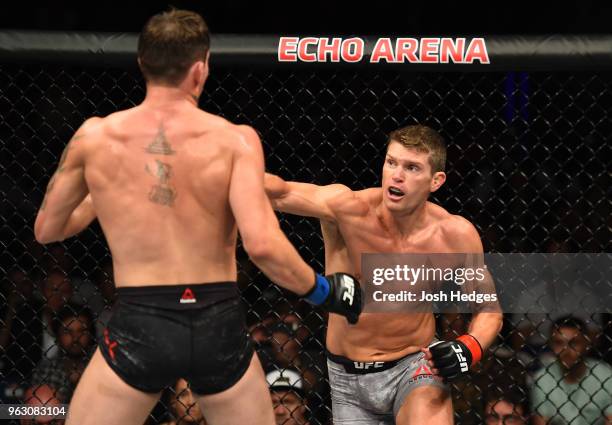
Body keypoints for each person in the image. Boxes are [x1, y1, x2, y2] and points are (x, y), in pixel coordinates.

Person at [33, 9, 361, 425]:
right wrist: (322, 291)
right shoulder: (234, 140)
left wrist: (103, 196)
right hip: (216, 321)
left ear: (142, 63)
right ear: (201, 68)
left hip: (140, 320)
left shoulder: (96, 136)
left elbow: (48, 229)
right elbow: (261, 245)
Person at [265, 124, 503, 424]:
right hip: (347, 377)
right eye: (391, 162)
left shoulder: (455, 235)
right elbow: (279, 192)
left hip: (414, 365)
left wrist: (470, 346)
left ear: (436, 180)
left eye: (412, 167)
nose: (397, 175)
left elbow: (489, 310)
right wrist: (210, 166)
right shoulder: (348, 209)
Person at [529, 316, 612, 425]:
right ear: (551, 345)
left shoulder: (605, 375)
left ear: (586, 344)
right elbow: (541, 421)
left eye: (573, 343)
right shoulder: (542, 378)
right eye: (559, 343)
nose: (566, 350)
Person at [31, 303, 95, 401]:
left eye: (82, 331)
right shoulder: (46, 370)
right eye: (67, 332)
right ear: (58, 336)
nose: (75, 338)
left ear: (90, 335)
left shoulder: (102, 367)